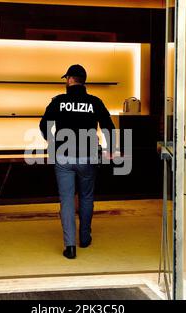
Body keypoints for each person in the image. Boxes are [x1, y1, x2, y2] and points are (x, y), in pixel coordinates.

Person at [40, 65, 115, 259]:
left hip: (63, 156)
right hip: (88, 156)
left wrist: (53, 142)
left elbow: (43, 125)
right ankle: (85, 237)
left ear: (71, 79)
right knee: (86, 197)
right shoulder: (95, 102)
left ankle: (70, 246)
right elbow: (108, 126)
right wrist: (112, 148)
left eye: (66, 78)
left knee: (66, 200)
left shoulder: (59, 101)